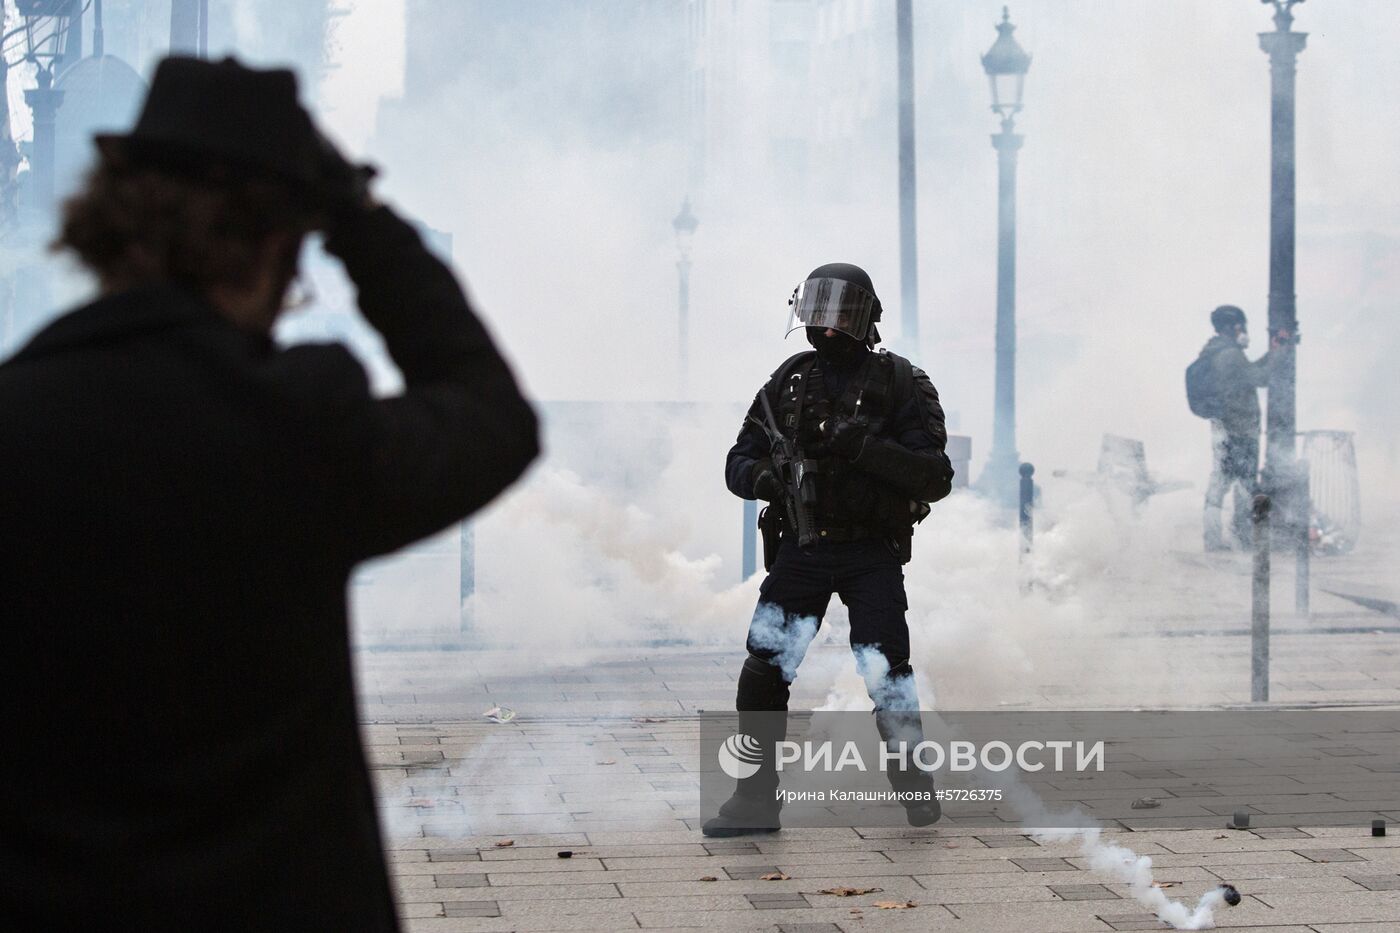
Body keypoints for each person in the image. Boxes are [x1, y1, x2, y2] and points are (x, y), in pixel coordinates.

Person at [0, 58, 538, 931]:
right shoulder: (297, 422)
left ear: (107, 223)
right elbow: (491, 416)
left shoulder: (18, 419)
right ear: (277, 244)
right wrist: (359, 220)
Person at [703, 263, 954, 838]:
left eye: (840, 314)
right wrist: (766, 478)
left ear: (865, 317)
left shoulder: (901, 383)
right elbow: (737, 460)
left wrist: (865, 448)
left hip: (871, 551)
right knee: (765, 667)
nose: (828, 327)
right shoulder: (789, 381)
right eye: (818, 313)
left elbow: (935, 477)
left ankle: (915, 785)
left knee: (888, 670)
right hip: (803, 549)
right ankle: (755, 800)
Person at [1194, 305, 1287, 551]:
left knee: (1221, 483)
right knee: (1246, 486)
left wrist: (1272, 352)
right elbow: (1260, 378)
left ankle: (1215, 538)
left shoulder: (1217, 352)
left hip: (1224, 430)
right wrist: (1279, 352)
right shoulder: (1230, 355)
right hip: (1239, 431)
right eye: (1240, 326)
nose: (1243, 330)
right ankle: (1249, 539)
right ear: (1229, 327)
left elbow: (1251, 372)